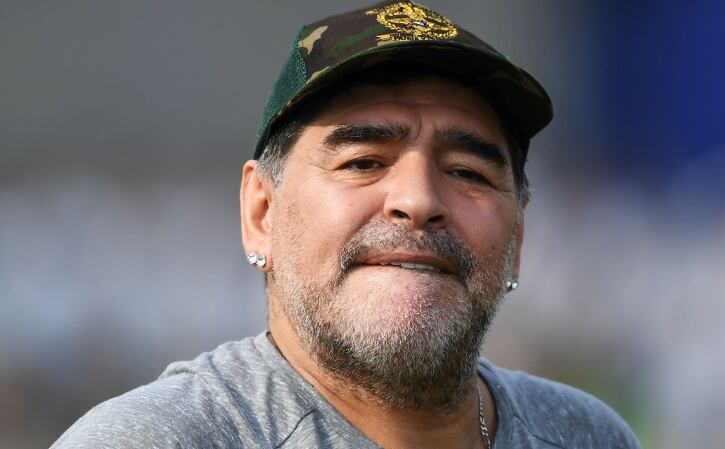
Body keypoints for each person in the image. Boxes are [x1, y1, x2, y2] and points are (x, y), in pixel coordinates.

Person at [52, 2, 642, 448]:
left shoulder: (584, 435)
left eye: (468, 172)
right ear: (261, 213)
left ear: (517, 240)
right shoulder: (157, 439)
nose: (418, 200)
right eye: (363, 162)